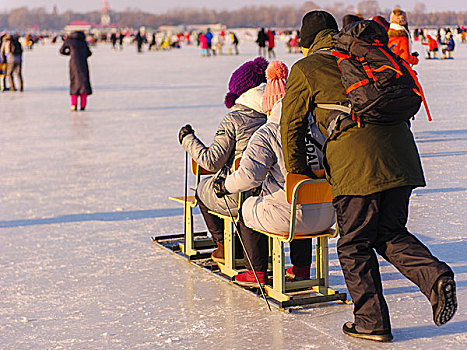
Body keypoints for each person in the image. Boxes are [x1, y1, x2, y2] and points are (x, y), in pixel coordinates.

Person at [280, 10, 456, 342]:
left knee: (353, 243)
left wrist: (297, 173)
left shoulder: (305, 69)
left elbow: (291, 127)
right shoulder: (365, 54)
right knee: (388, 231)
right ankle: (434, 277)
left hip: (357, 164)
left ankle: (371, 322)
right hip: (402, 158)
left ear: (305, 41)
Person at [214, 61, 335, 286]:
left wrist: (225, 186)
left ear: (269, 106)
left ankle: (256, 272)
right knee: (301, 198)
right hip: (327, 216)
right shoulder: (318, 128)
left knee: (248, 207)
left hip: (289, 220)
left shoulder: (268, 133)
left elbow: (249, 176)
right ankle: (301, 268)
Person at [178, 57, 269, 263]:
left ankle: (223, 245)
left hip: (239, 193)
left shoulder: (235, 118)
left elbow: (212, 162)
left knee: (203, 188)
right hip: (271, 193)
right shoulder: (274, 113)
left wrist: (188, 140)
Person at [59, 31, 92, 111]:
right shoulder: (83, 42)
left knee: (74, 83)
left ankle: (73, 105)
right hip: (83, 63)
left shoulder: (69, 41)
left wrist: (70, 53)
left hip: (73, 64)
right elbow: (89, 53)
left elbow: (61, 51)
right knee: (83, 84)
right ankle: (83, 105)